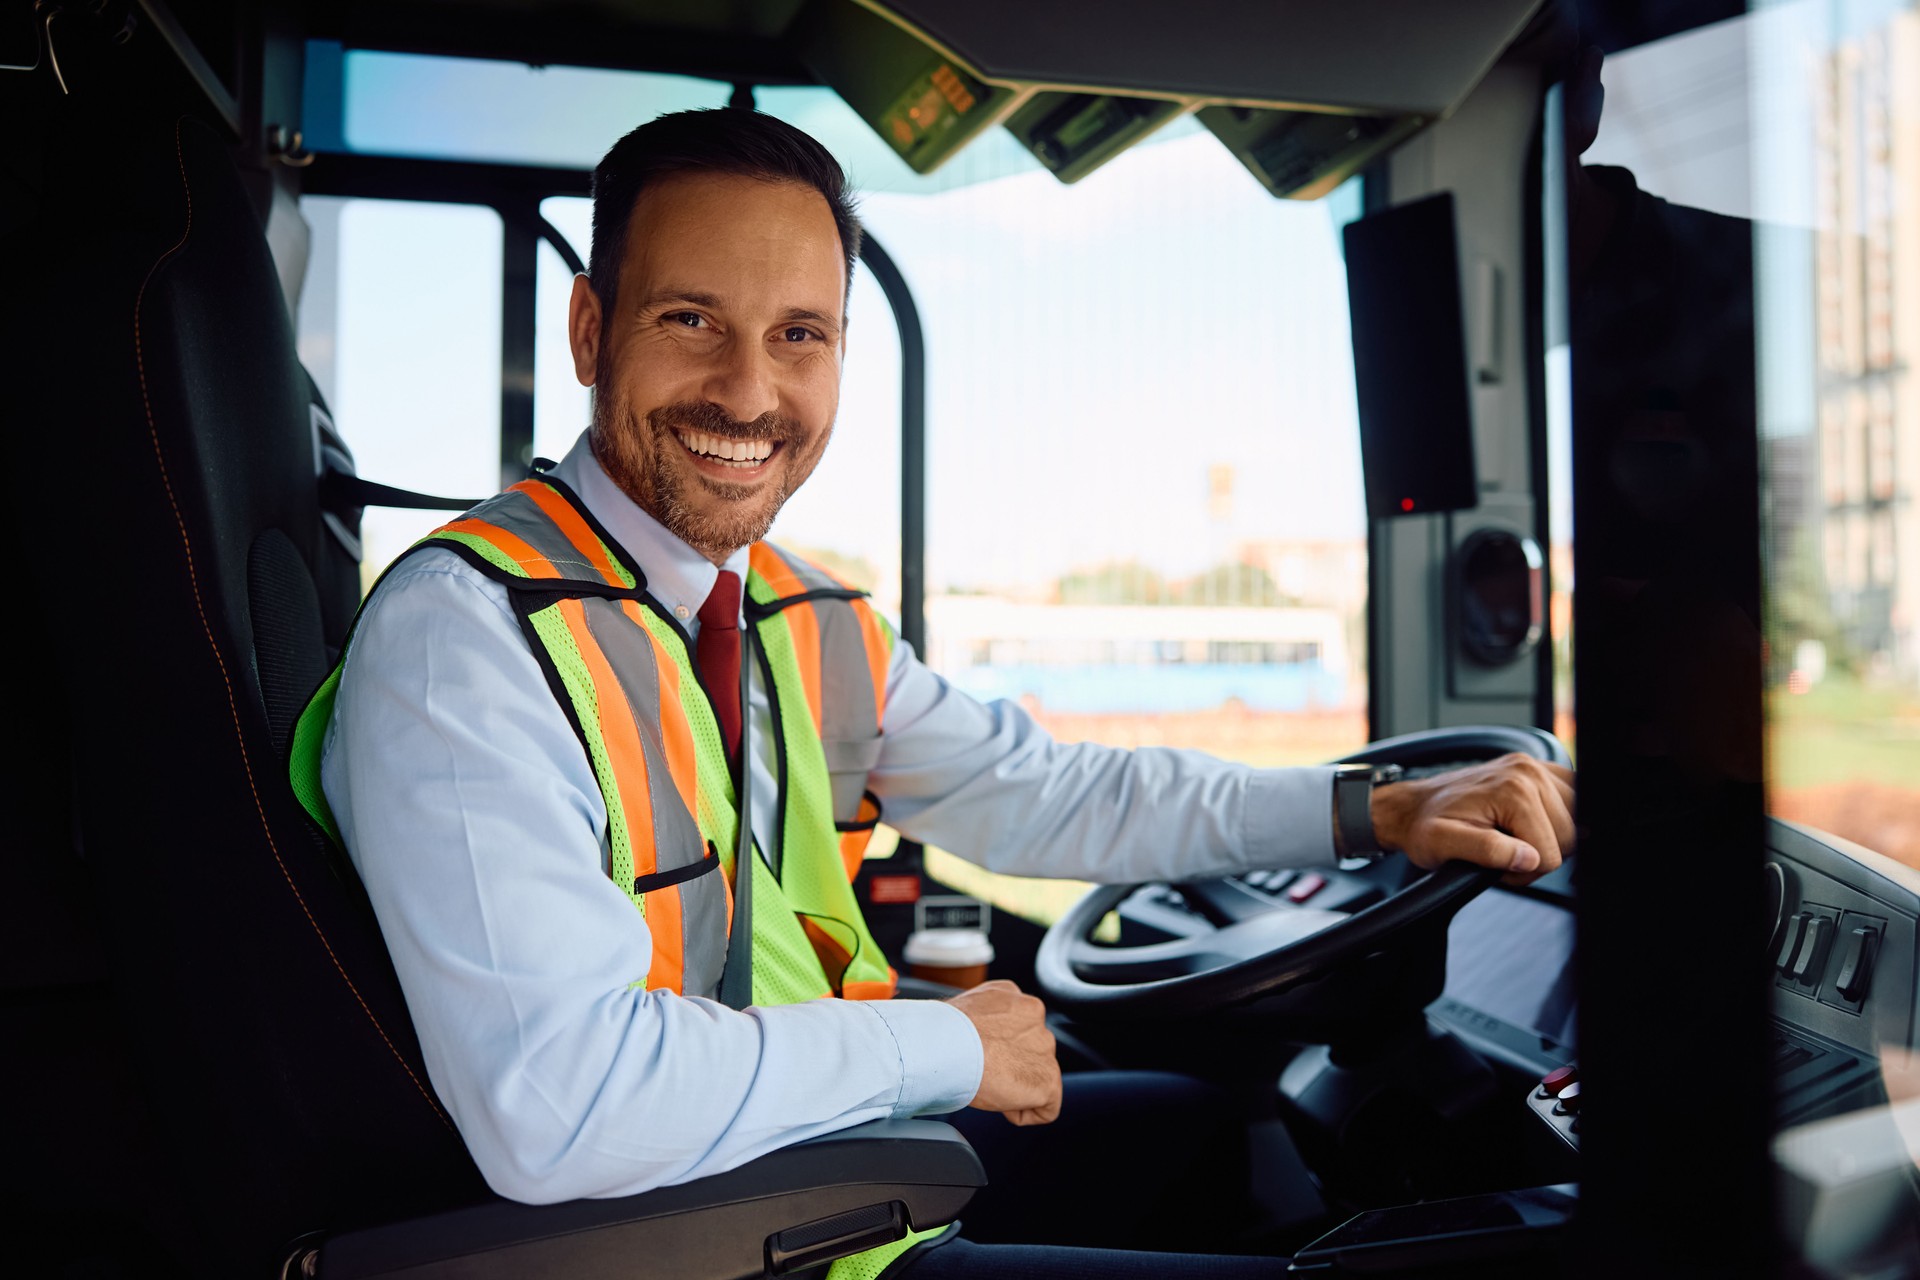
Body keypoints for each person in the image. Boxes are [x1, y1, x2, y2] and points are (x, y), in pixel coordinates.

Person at [298, 108, 1575, 1279]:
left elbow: (1045, 793)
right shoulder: (465, 636)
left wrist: (1376, 812)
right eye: (691, 319)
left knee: (1197, 1132)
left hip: (798, 1162)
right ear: (590, 329)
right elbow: (560, 1108)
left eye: (799, 335)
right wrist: (948, 1043)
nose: (749, 392)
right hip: (683, 1238)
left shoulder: (796, 612)